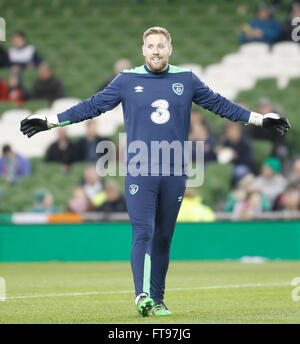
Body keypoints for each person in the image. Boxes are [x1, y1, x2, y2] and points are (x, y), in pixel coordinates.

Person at [20, 26, 290, 317]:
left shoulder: (186, 79)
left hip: (175, 170)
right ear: (143, 50)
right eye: (151, 46)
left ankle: (158, 301)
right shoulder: (126, 80)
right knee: (143, 231)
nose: (156, 50)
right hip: (140, 168)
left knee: (163, 237)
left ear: (170, 49)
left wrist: (261, 120)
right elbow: (92, 106)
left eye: (161, 45)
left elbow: (220, 105)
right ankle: (142, 296)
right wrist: (51, 121)